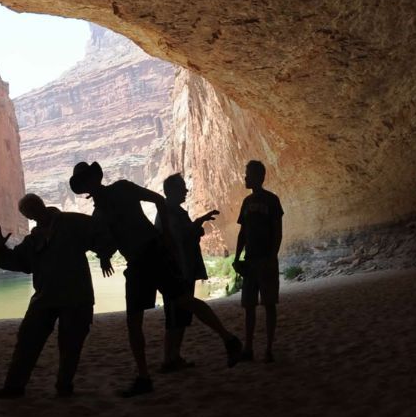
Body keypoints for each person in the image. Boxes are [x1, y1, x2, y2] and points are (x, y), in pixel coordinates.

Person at [69, 161, 242, 397]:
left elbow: (158, 203)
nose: (89, 186)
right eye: (85, 183)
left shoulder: (118, 193)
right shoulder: (107, 205)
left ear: (93, 181)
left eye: (87, 181)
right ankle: (146, 376)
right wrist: (104, 256)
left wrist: (167, 238)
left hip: (151, 256)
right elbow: (112, 240)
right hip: (143, 261)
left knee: (175, 304)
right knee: (149, 315)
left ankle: (226, 340)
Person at [0, 194, 107, 399]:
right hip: (48, 298)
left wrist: (104, 254)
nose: (31, 215)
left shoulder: (72, 222)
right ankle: (15, 387)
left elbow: (102, 233)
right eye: (27, 213)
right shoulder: (34, 239)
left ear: (39, 205)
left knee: (70, 344)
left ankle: (63, 387)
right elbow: (17, 261)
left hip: (75, 298)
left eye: (30, 210)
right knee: (27, 339)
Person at [154, 173, 224, 373]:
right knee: (175, 317)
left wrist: (198, 223)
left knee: (181, 317)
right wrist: (197, 228)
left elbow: (182, 236)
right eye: (182, 188)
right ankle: (169, 359)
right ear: (172, 191)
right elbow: (178, 239)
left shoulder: (172, 211)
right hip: (177, 273)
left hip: (182, 271)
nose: (186, 191)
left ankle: (174, 357)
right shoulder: (169, 212)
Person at [234, 160, 284, 363]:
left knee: (269, 304)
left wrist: (272, 256)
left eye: (248, 174)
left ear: (259, 176)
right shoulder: (246, 203)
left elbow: (277, 231)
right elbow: (242, 232)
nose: (245, 177)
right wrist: (237, 258)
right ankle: (248, 348)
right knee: (249, 306)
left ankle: (269, 348)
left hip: (265, 261)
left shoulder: (272, 200)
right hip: (250, 262)